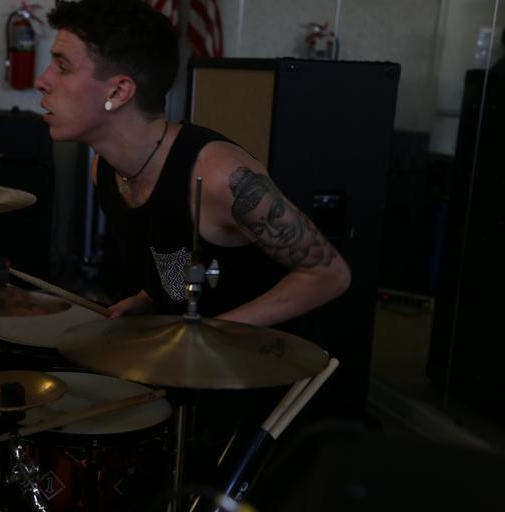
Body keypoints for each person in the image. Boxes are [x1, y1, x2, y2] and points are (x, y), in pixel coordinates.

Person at [35, 0, 352, 503]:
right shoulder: (107, 170)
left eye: (63, 66)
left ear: (118, 91)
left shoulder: (220, 176)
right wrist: (149, 296)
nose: (43, 81)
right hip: (201, 380)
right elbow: (179, 253)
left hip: (276, 394)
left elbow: (330, 274)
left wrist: (215, 331)